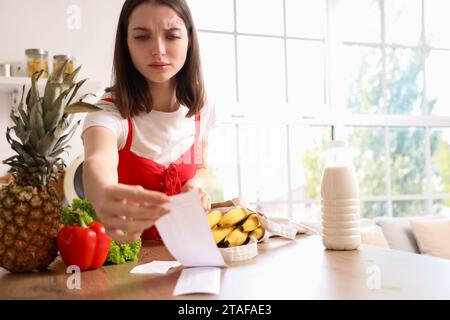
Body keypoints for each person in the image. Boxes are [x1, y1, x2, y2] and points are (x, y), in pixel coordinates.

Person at [81, 0, 216, 244]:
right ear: (126, 44)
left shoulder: (201, 106)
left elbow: (202, 166)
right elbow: (97, 160)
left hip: (187, 253)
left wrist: (197, 184)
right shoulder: (109, 111)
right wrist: (102, 193)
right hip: (127, 265)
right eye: (142, 37)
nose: (158, 49)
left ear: (190, 40)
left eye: (172, 36)